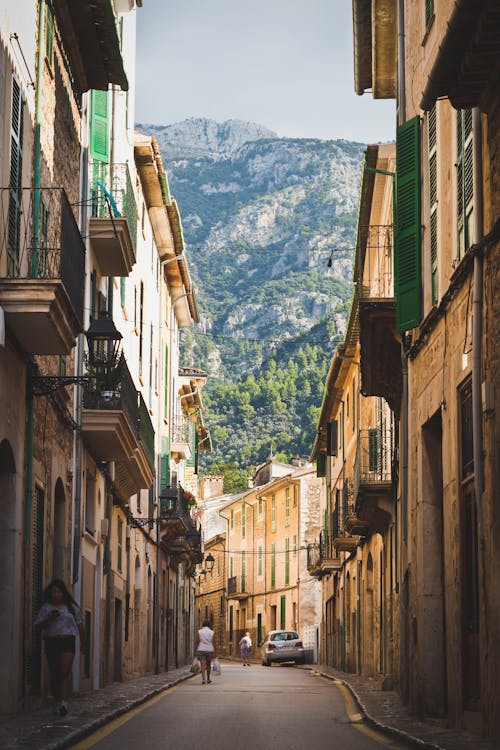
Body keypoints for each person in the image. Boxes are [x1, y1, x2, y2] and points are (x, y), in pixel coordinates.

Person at [34, 579, 86, 716]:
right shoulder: (46, 607)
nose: (55, 595)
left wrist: (84, 644)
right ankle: (57, 701)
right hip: (51, 641)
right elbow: (38, 626)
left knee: (64, 671)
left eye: (58, 592)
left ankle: (63, 703)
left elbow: (80, 626)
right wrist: (50, 618)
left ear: (63, 593)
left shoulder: (72, 608)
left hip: (68, 641)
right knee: (55, 673)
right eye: (53, 592)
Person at [194, 618, 216, 684]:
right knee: (208, 665)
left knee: (202, 665)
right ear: (209, 625)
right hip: (210, 650)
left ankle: (203, 679)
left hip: (201, 649)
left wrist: (195, 649)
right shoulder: (212, 632)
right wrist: (216, 652)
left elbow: (197, 641)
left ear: (203, 624)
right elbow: (214, 642)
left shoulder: (199, 631)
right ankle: (208, 679)